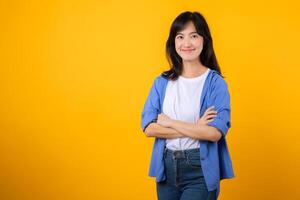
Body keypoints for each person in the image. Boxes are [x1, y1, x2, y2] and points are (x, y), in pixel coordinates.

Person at [141, 11, 234, 200]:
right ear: (173, 42)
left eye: (194, 36)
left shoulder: (215, 83)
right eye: (180, 37)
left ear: (204, 40)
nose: (187, 43)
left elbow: (214, 133)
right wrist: (196, 127)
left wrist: (169, 122)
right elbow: (149, 128)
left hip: (200, 168)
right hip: (166, 168)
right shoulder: (161, 82)